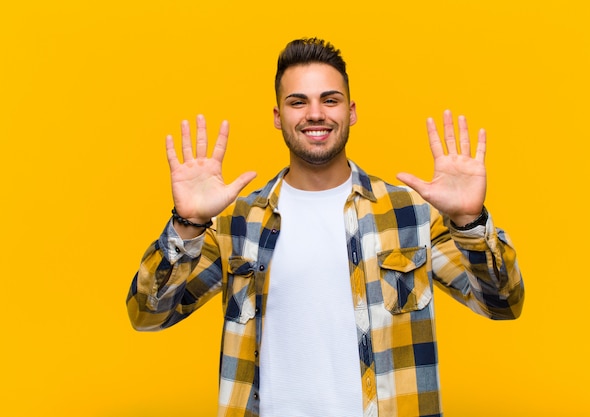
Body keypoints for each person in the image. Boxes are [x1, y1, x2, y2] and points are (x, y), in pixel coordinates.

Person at [126, 37, 524, 417]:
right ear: (279, 118)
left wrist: (469, 221)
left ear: (351, 112)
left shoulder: (411, 214)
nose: (315, 113)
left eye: (329, 100)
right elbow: (148, 314)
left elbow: (503, 303)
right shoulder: (238, 223)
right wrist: (189, 222)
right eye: (298, 102)